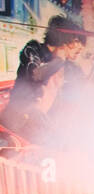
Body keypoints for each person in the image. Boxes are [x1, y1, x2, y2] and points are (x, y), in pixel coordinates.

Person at [0, 15, 87, 143]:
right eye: (77, 40)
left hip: (41, 125)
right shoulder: (33, 49)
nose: (80, 48)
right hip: (17, 122)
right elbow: (35, 75)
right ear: (66, 40)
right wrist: (59, 59)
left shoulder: (69, 67)